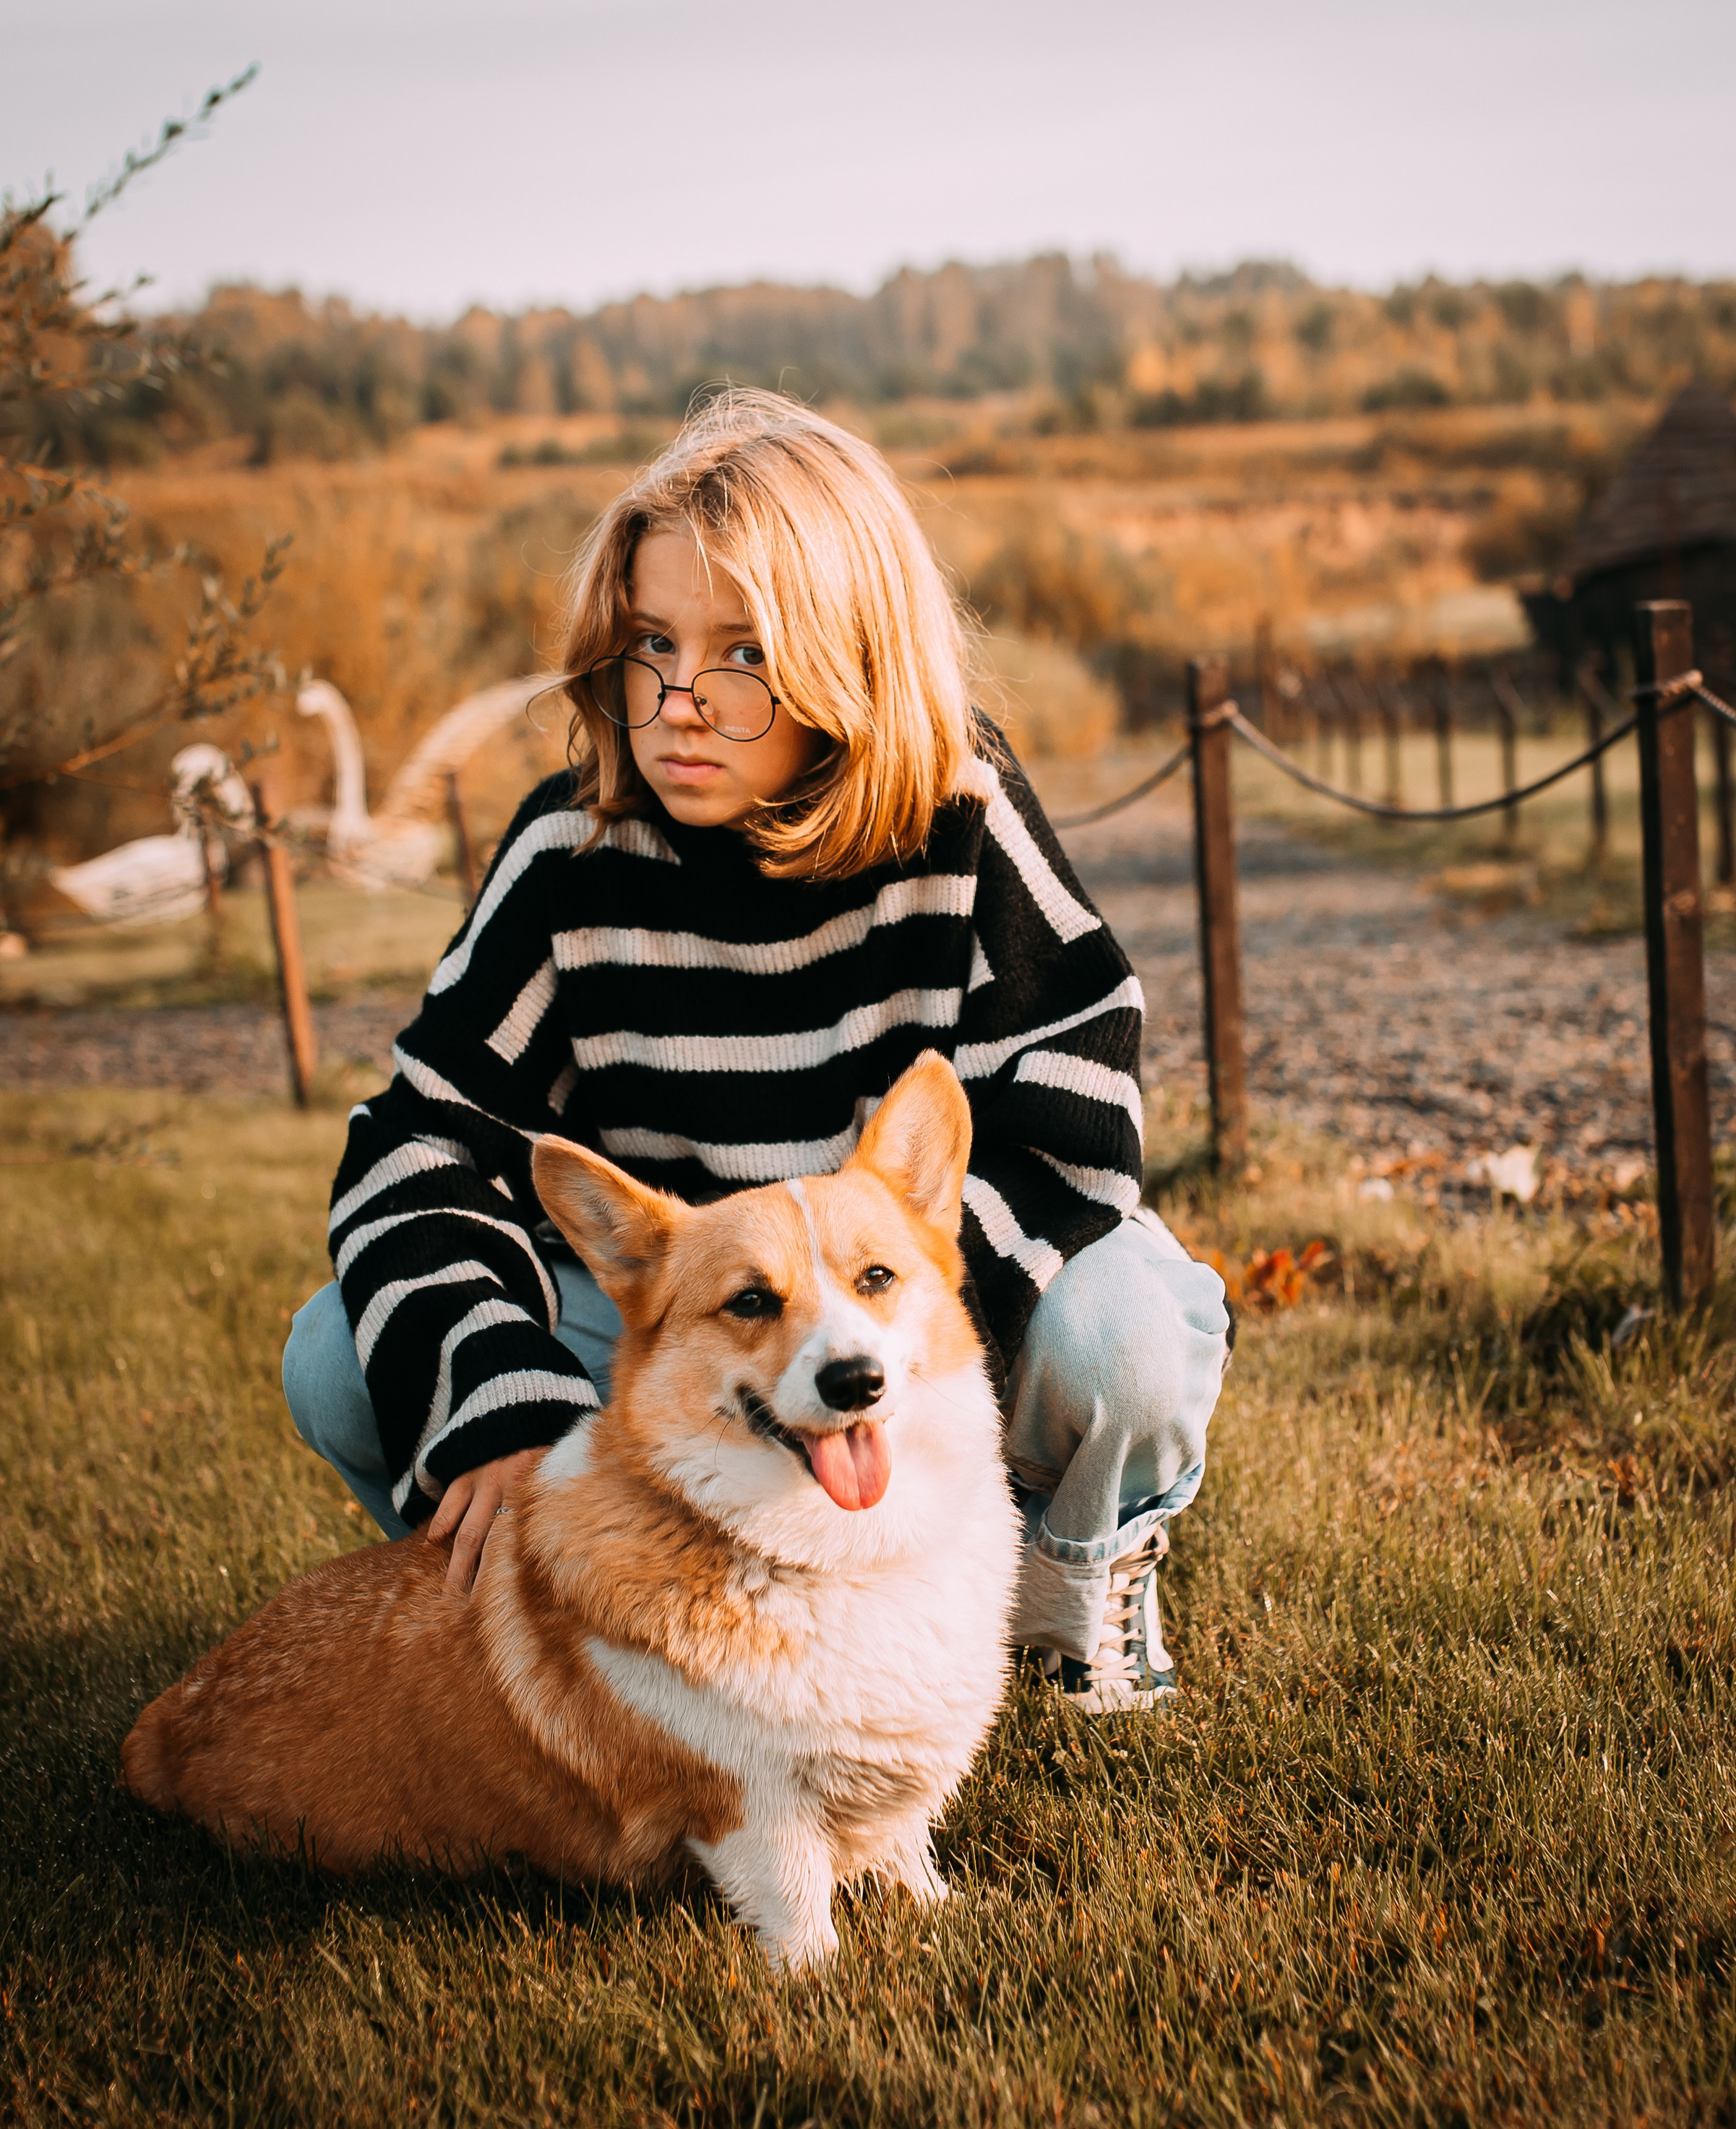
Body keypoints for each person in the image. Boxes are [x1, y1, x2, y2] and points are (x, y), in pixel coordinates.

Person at [282, 390, 1228, 1713]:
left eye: (743, 653)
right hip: (690, 1330)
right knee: (337, 1354)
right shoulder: (568, 854)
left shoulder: (956, 810)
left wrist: (879, 1343)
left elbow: (1075, 1097)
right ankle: (598, 1622)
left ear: (850, 654)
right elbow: (420, 1152)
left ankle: (1058, 1591)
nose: (678, 702)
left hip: (913, 1307)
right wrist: (499, 1399)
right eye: (650, 644)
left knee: (1123, 1339)